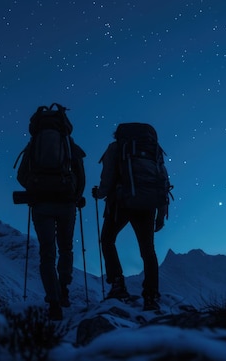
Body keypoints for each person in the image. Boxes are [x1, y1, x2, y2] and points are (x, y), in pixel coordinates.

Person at [16, 104, 86, 321]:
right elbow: (81, 176)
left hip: (41, 206)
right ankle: (64, 289)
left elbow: (21, 175)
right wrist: (75, 195)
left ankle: (54, 302)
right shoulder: (69, 144)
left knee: (47, 253)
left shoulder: (33, 145)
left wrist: (35, 188)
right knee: (66, 248)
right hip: (66, 203)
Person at [92, 123, 169, 311]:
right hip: (149, 204)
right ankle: (151, 297)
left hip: (122, 203)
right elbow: (163, 180)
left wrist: (100, 193)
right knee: (148, 250)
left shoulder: (116, 147)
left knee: (108, 240)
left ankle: (118, 285)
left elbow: (108, 176)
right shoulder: (154, 150)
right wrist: (161, 213)